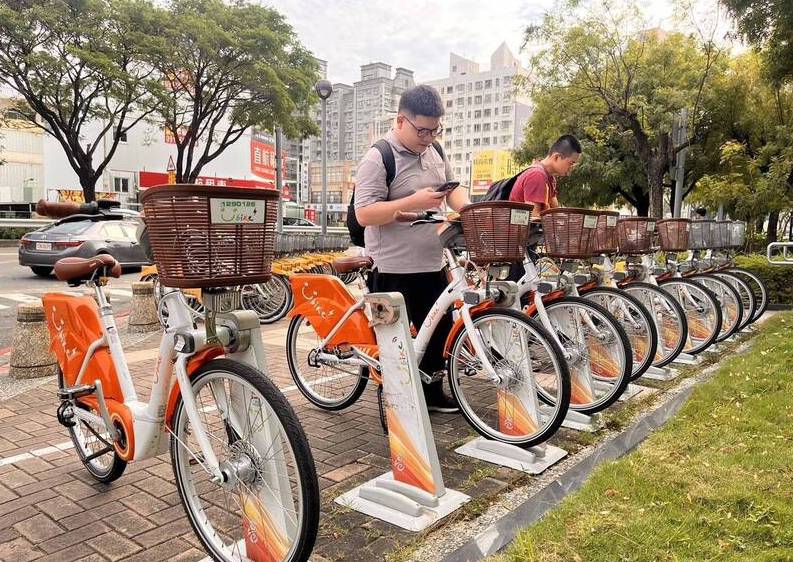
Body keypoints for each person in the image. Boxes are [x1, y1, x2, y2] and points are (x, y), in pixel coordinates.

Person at [354, 84, 471, 413]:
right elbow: (364, 214)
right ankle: (394, 404)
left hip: (432, 262)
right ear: (400, 121)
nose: (429, 137)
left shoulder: (436, 151)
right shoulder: (379, 157)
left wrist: (468, 209)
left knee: (439, 332)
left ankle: (431, 394)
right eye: (422, 130)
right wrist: (413, 201)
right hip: (393, 269)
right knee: (395, 339)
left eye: (435, 130)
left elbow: (452, 190)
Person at [507, 135, 582, 280]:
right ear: (556, 157)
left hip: (527, 243)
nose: (571, 168)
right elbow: (534, 217)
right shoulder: (537, 175)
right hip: (517, 245)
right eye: (571, 163)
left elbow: (555, 212)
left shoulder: (550, 178)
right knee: (517, 289)